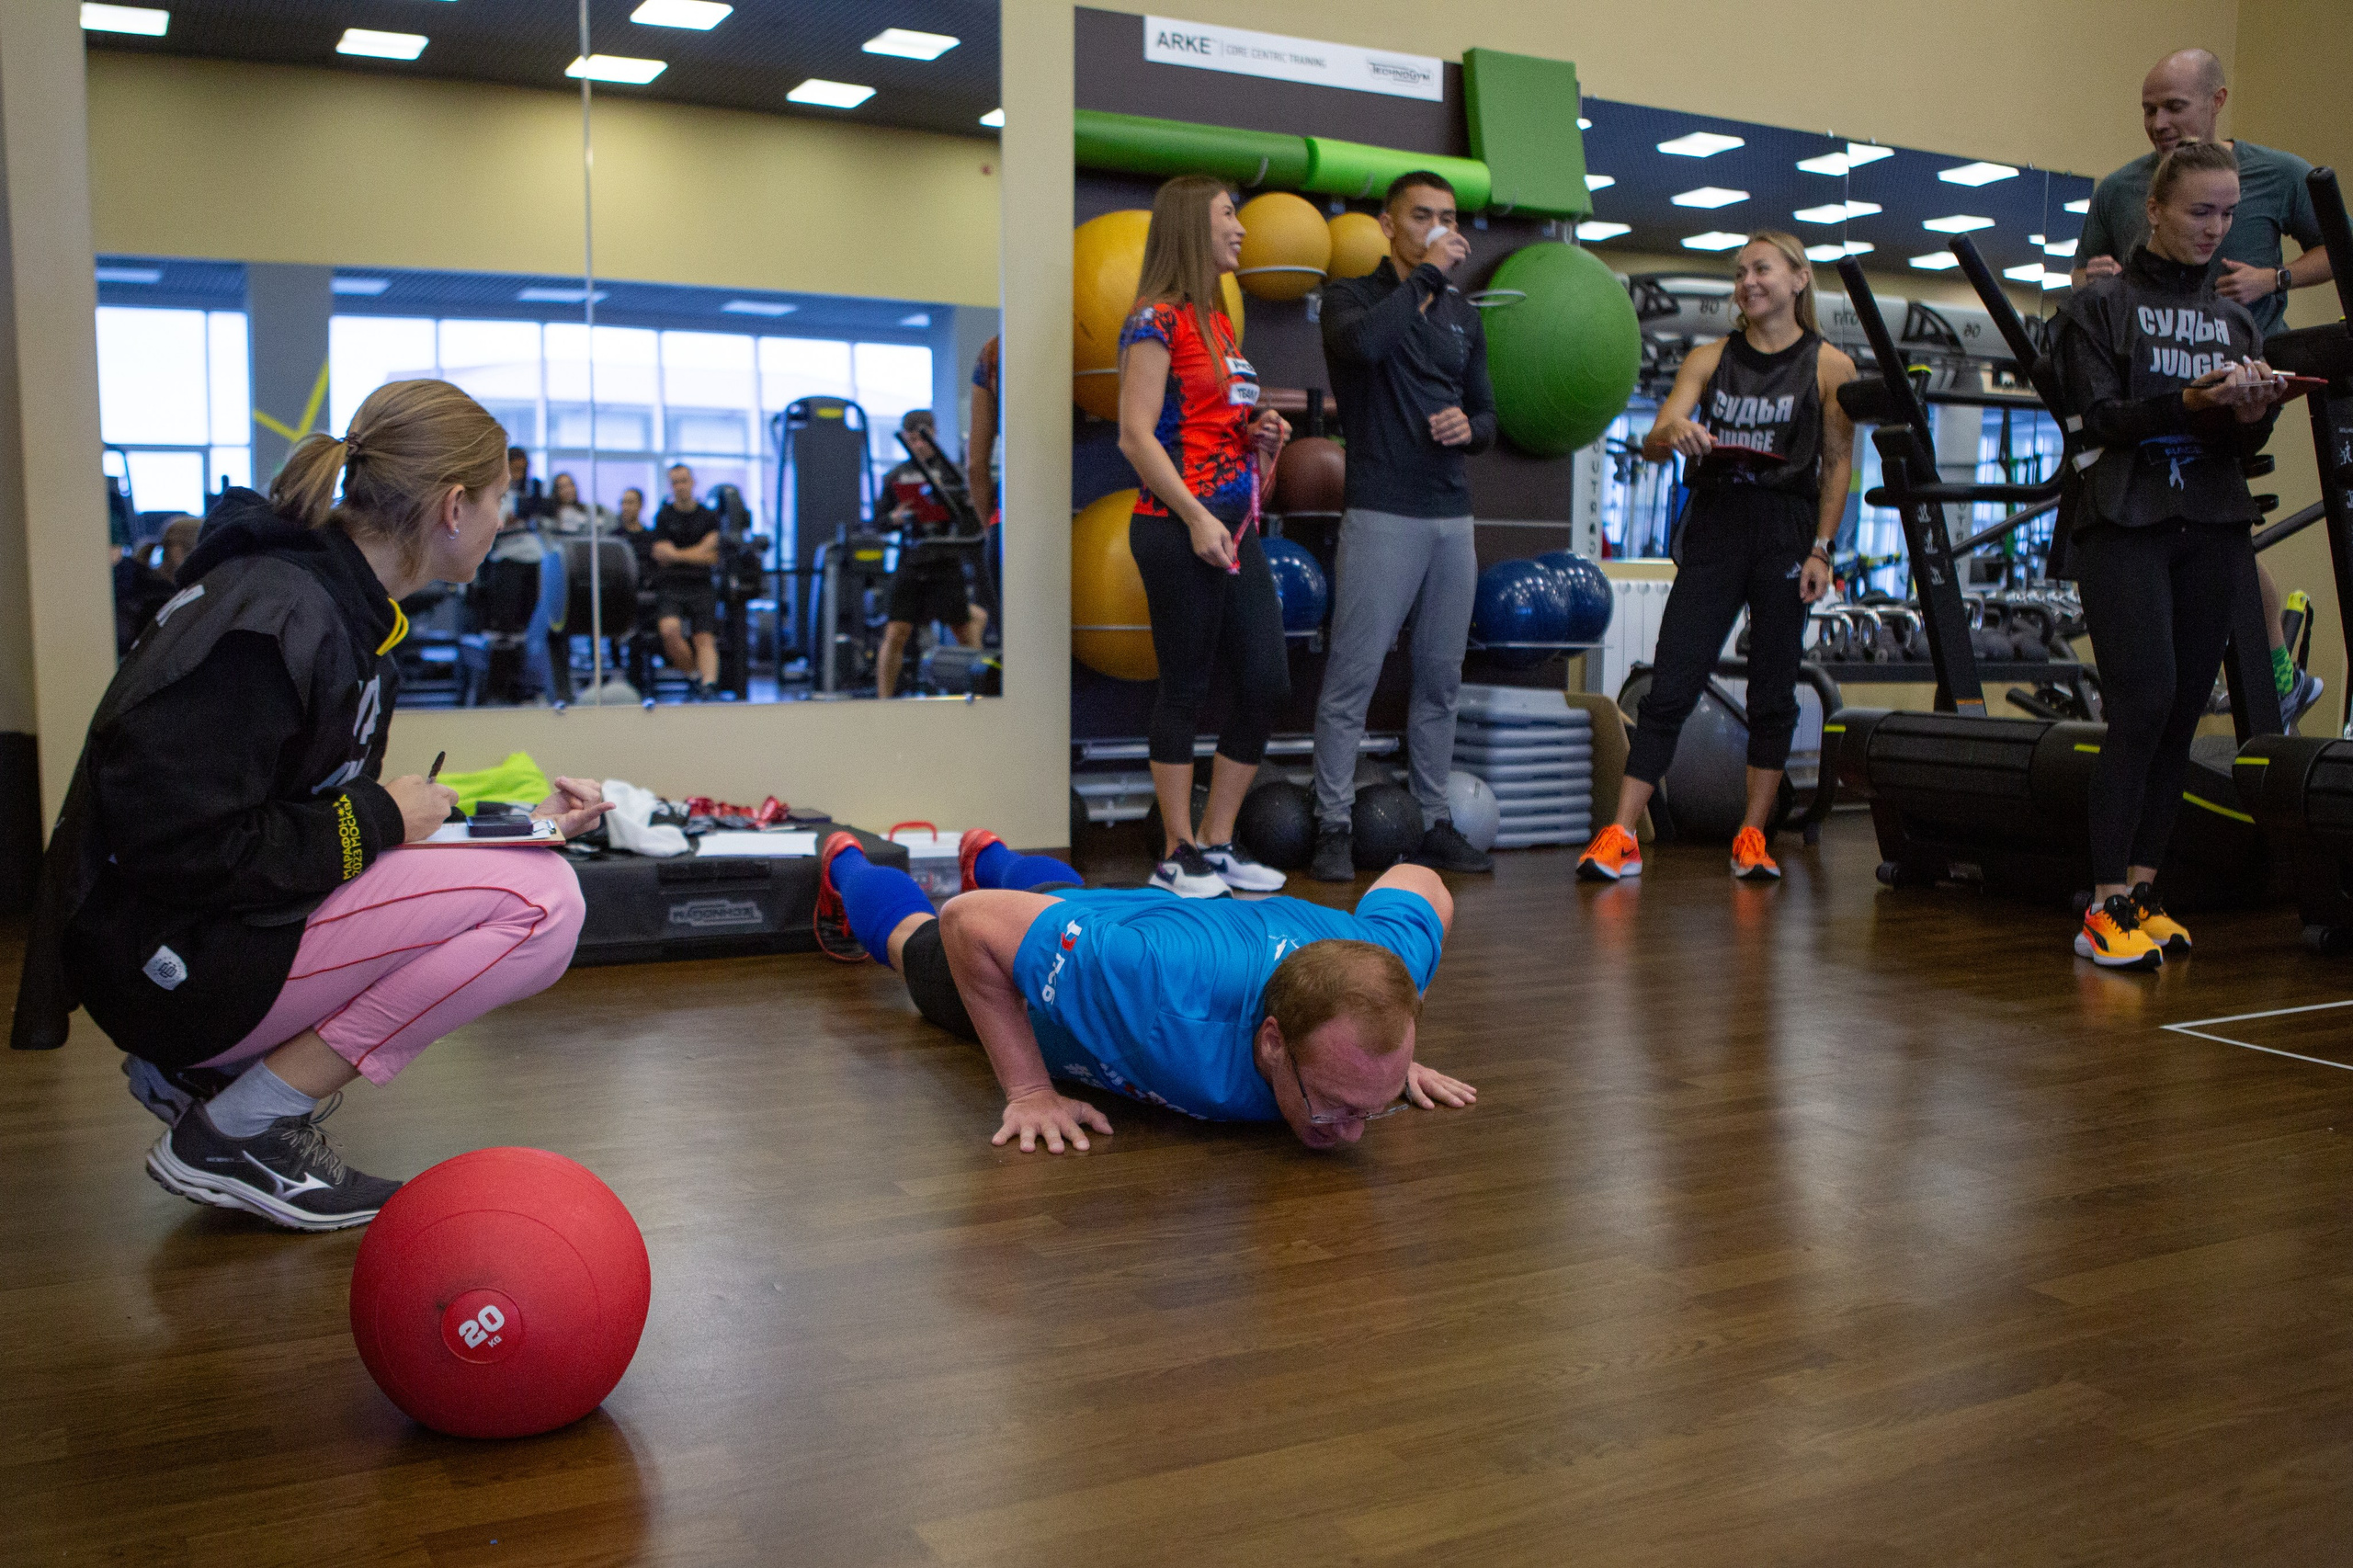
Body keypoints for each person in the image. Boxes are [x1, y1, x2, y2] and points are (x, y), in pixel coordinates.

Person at [6, 380, 613, 1231]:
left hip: (205, 937)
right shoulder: (276, 614)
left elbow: (315, 823)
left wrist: (528, 823)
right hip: (167, 964)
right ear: (452, 506)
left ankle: (211, 1084)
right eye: (499, 497)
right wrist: (379, 820)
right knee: (543, 907)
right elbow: (184, 842)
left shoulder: (339, 616)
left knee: (535, 867)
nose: (503, 520)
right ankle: (236, 1126)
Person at [810, 826, 1477, 1153]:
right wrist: (1029, 1090)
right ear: (1272, 1041)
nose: (1354, 1136)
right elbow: (969, 922)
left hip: (1119, 919)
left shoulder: (1388, 962)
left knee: (1063, 894)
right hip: (1053, 979)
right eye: (1334, 1107)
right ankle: (842, 858)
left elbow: (1421, 878)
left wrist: (1374, 1061)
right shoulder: (1156, 991)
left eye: (1370, 1109)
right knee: (913, 940)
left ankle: (988, 851)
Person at [2056, 141, 2295, 969]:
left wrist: (2255, 406)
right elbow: (2097, 418)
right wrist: (2188, 399)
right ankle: (2102, 903)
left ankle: (2143, 892)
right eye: (2200, 211)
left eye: (2228, 213)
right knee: (2144, 700)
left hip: (2213, 520)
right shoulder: (2099, 307)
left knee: (2186, 709)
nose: (2216, 228)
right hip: (2125, 519)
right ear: (2153, 210)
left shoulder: (2236, 317)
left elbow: (2244, 440)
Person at [1578, 232, 1856, 885]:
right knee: (1672, 681)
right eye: (1739, 274)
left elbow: (1840, 462)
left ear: (1797, 279)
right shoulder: (1709, 358)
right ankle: (1621, 834)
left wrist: (1823, 546)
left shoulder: (1829, 366)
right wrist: (1670, 431)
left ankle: (1753, 837)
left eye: (1761, 269)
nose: (1747, 282)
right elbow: (1653, 441)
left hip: (1786, 531)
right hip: (1718, 526)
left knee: (1773, 689)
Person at [2071, 47, 2333, 723]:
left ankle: (2273, 666)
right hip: (2150, 406)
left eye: (2174, 107)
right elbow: (2083, 282)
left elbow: (2339, 248)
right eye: (2148, 109)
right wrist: (2091, 285)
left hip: (2242, 388)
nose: (2158, 122)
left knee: (2226, 530)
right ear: (2158, 208)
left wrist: (2276, 279)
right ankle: (2269, 670)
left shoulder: (2278, 175)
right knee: (2156, 685)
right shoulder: (2122, 188)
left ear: (2217, 103)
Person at [1311, 171, 1500, 882]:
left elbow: (1486, 413)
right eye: (1421, 216)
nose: (1437, 228)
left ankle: (1432, 818)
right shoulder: (1350, 297)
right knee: (1353, 677)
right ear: (1388, 225)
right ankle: (1331, 823)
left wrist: (1469, 429)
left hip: (1451, 516)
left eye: (1447, 217)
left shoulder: (1463, 316)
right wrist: (1424, 277)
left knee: (1439, 679)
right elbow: (1366, 348)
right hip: (1382, 509)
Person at [1117, 175, 1296, 898]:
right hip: (1174, 527)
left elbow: (1215, 427)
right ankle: (1175, 850)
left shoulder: (1218, 322)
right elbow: (1136, 435)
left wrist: (1265, 436)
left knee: (1266, 681)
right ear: (1195, 224)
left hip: (1235, 524)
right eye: (1229, 215)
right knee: (1185, 686)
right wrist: (1194, 515)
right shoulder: (1153, 320)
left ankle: (1217, 844)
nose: (1242, 229)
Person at [875, 409, 989, 699]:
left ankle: (977, 693)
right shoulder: (895, 477)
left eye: (923, 439)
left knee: (963, 631)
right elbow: (878, 522)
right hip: (912, 559)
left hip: (944, 558)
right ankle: (882, 701)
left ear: (934, 435)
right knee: (896, 632)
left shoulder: (953, 473)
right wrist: (894, 519)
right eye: (912, 440)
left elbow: (973, 519)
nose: (919, 446)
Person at [488, 446, 565, 701]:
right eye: (514, 468)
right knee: (505, 626)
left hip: (532, 559)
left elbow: (543, 516)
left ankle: (521, 685)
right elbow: (496, 522)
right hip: (505, 558)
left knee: (525, 625)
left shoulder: (533, 489)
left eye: (522, 469)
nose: (518, 473)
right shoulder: (494, 490)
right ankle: (499, 687)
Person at [650, 462, 723, 699]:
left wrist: (677, 555)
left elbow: (712, 556)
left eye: (684, 481)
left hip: (701, 585)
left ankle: (709, 686)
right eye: (675, 482)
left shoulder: (708, 516)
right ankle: (695, 676)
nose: (680, 486)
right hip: (671, 585)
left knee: (704, 638)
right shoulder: (663, 517)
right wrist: (696, 554)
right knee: (670, 631)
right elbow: (661, 554)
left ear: (692, 482)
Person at [968, 335, 1003, 627]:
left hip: (1014, 525)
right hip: (1110, 511)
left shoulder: (996, 349)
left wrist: (993, 531)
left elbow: (975, 466)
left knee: (1027, 662)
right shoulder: (1132, 331)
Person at [547, 471, 609, 537]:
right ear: (556, 491)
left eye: (570, 485)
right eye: (563, 487)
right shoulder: (551, 517)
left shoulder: (588, 510)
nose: (568, 490)